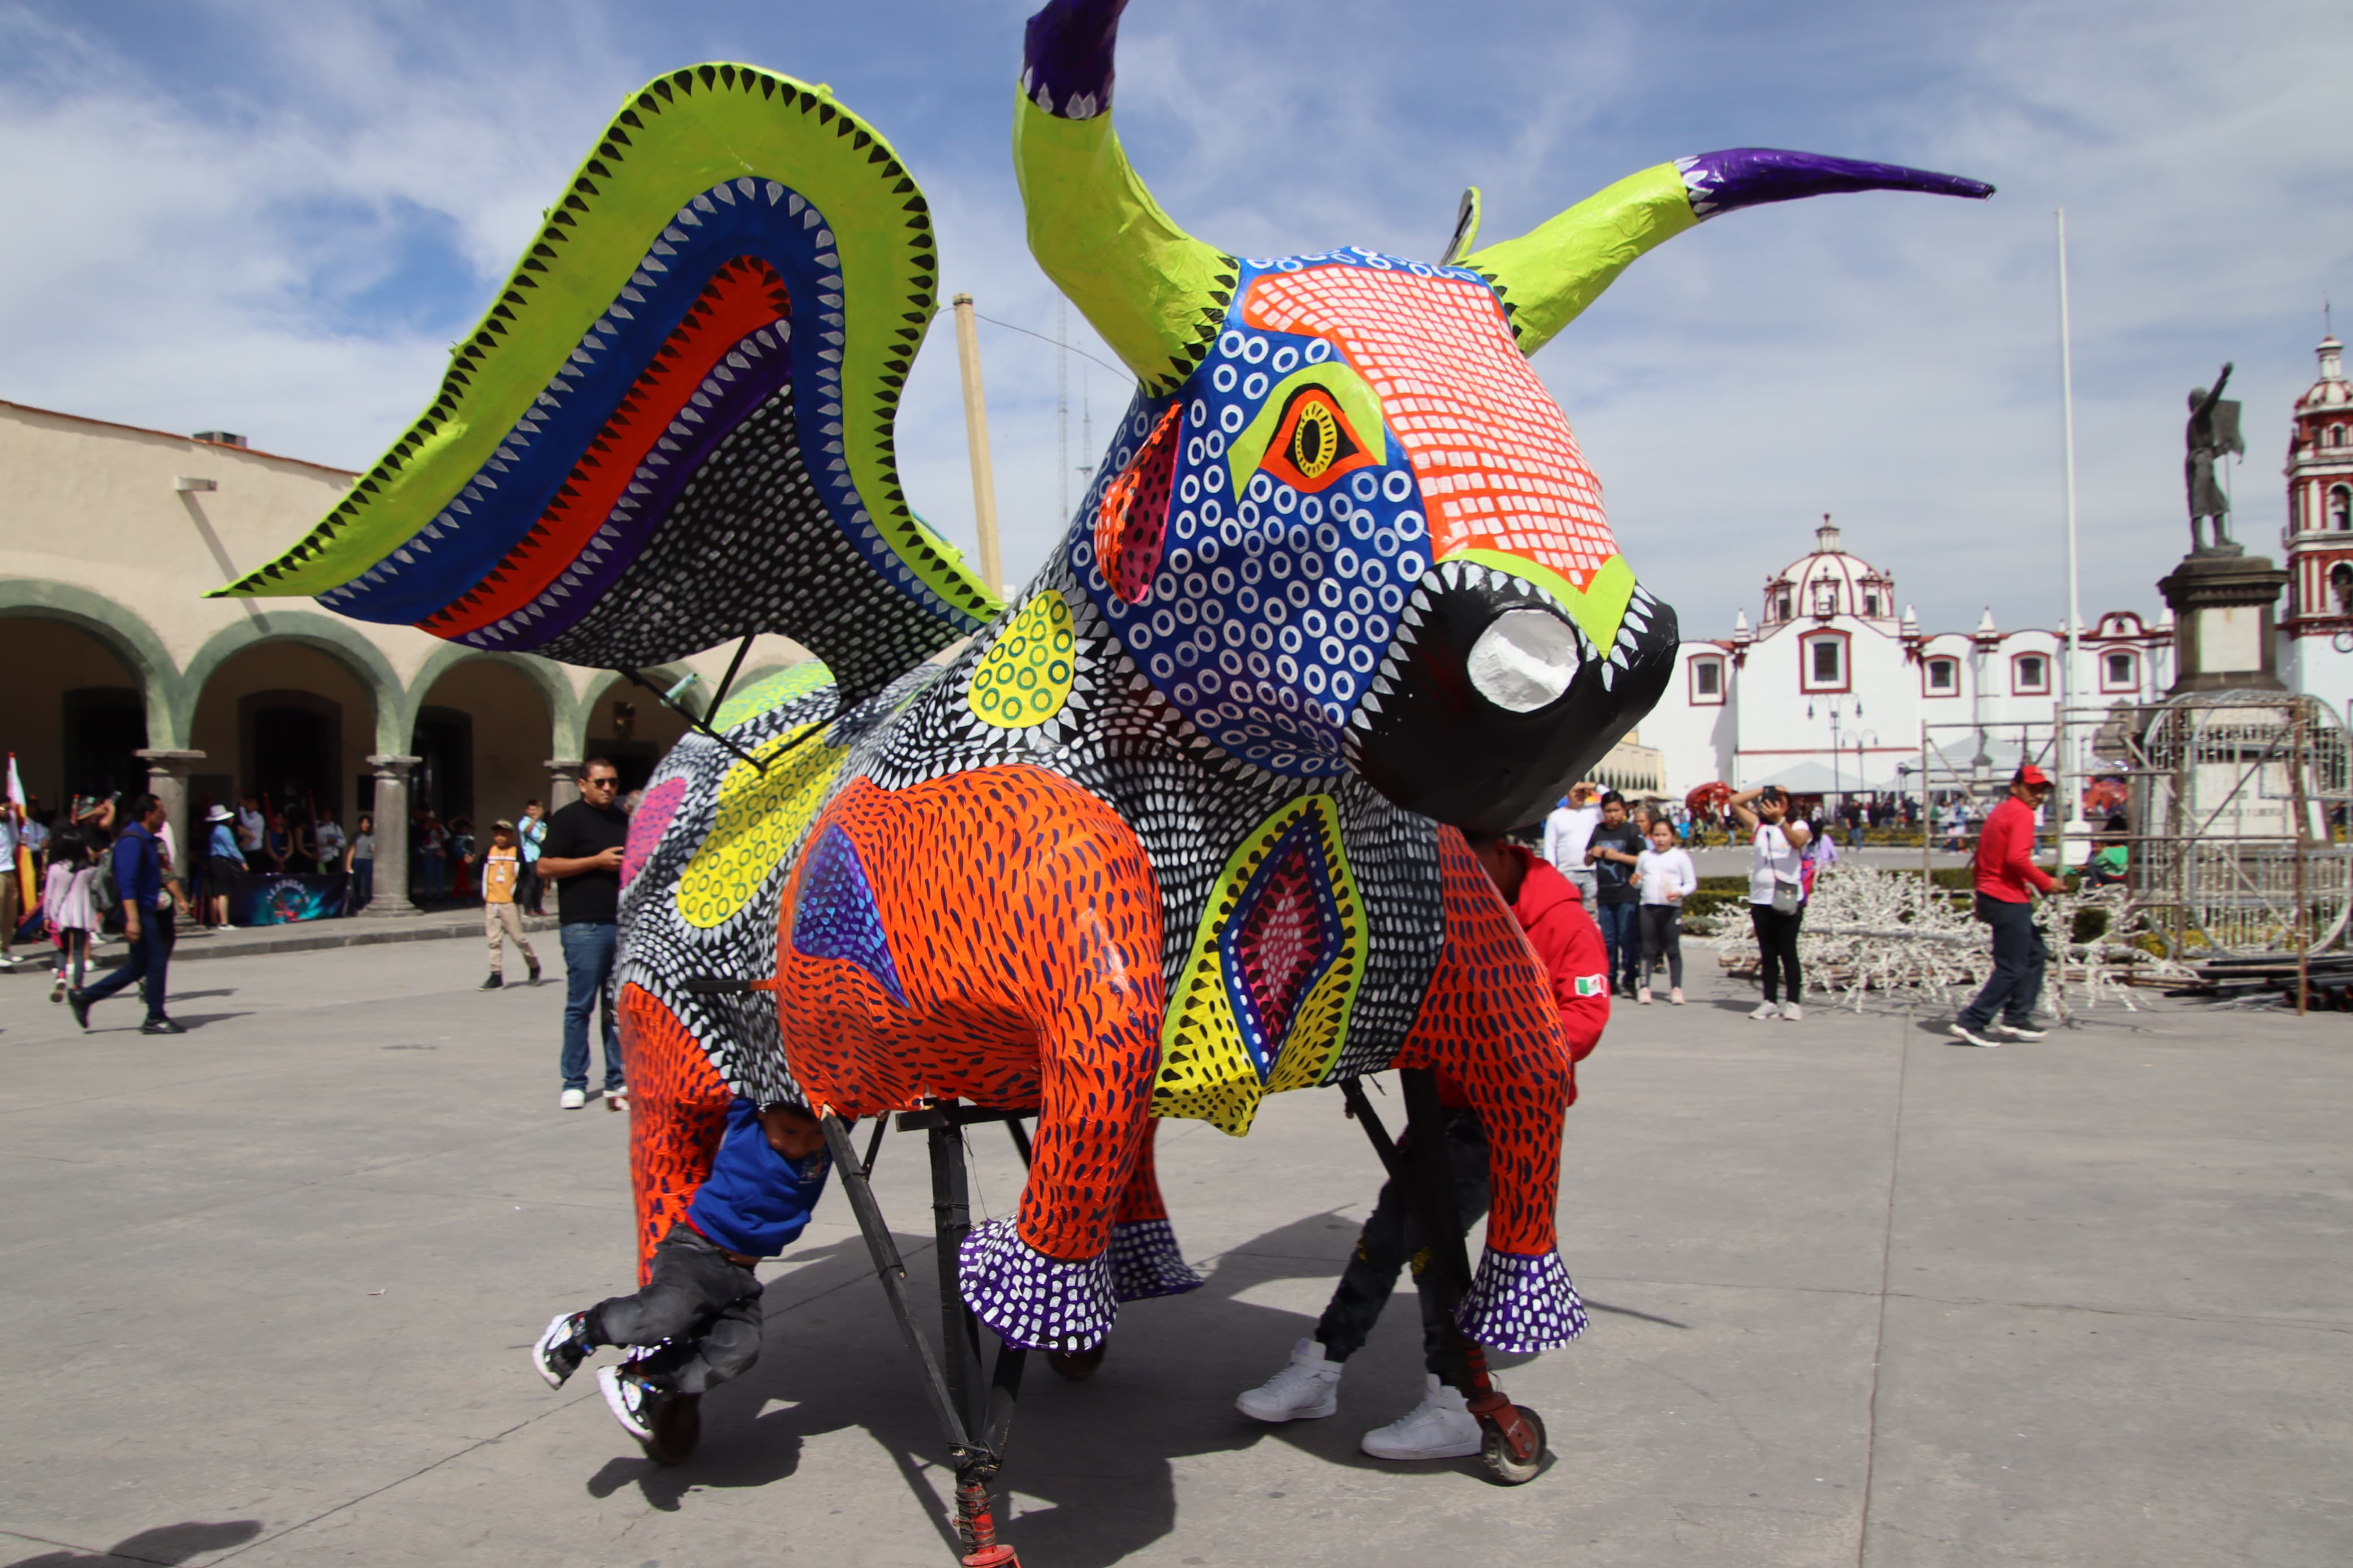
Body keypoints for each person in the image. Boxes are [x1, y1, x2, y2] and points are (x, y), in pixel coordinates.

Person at [1234, 829, 1609, 1460]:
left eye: (1459, 860)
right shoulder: (1448, 908)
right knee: (1386, 1231)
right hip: (1437, 1112)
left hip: (1507, 1121)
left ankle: (1454, 1401)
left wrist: (1496, 1047)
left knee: (1429, 1242)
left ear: (1498, 848)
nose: (1447, 876)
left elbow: (1583, 1019)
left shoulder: (1561, 918)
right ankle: (1323, 1366)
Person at [532, 1098, 834, 1462]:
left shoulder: (830, 1131)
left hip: (741, 1276)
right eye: (788, 1132)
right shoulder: (748, 1121)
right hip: (697, 1252)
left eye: (814, 1135)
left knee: (740, 1347)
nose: (801, 1145)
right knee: (664, 1312)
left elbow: (852, 1102)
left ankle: (645, 1378)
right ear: (762, 1115)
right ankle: (581, 1329)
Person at [540, 759, 629, 1111]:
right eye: (601, 782)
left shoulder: (623, 820)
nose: (608, 788)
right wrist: (595, 861)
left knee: (616, 1008)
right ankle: (574, 1080)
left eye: (613, 782)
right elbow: (545, 866)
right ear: (583, 784)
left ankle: (616, 1079)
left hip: (620, 925)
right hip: (584, 927)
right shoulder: (567, 819)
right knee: (581, 1005)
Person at [1951, 766, 2058, 1048]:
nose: (2038, 795)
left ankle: (2017, 1017)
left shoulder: (2002, 812)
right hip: (2008, 898)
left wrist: (1980, 896)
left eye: (2042, 790)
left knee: (2035, 953)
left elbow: (1982, 857)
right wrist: (2047, 883)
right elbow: (2017, 860)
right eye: (2032, 788)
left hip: (1994, 895)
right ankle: (1973, 1021)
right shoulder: (2022, 814)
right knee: (2012, 967)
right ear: (2016, 787)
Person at [67, 793, 183, 1035]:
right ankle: (155, 1016)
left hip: (148, 909)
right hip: (139, 911)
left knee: (138, 966)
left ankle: (85, 997)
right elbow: (127, 882)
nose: (164, 817)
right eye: (161, 812)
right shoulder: (132, 840)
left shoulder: (146, 839)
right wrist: (132, 919)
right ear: (148, 814)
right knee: (156, 960)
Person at [1731, 785, 1812, 1021]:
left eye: (1779, 800)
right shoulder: (1759, 826)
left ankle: (1794, 1002)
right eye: (1770, 801)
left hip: (1787, 898)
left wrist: (1781, 821)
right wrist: (1763, 791)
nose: (1773, 805)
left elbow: (1798, 842)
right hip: (1761, 898)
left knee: (1788, 951)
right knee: (1767, 953)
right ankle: (1769, 1001)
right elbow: (1735, 802)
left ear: (1789, 805)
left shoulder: (1799, 825)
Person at [1584, 791, 1645, 996]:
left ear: (1624, 810)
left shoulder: (1631, 830)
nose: (1613, 815)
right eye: (1608, 811)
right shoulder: (1599, 830)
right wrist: (1593, 854)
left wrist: (1617, 856)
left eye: (1616, 810)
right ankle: (1610, 979)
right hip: (1605, 895)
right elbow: (1587, 860)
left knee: (1627, 938)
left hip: (1627, 894)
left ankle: (1630, 977)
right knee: (1608, 941)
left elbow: (1643, 860)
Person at [1632, 817, 1696, 1004]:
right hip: (1648, 906)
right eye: (1657, 835)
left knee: (1672, 949)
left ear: (1673, 837)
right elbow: (1640, 882)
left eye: (1664, 835)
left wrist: (1680, 892)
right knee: (1648, 949)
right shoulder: (1645, 856)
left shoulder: (1680, 856)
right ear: (1650, 836)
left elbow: (1691, 882)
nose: (1660, 839)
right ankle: (1644, 986)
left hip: (1671, 908)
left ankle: (1676, 988)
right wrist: (1637, 882)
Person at [479, 819, 541, 990]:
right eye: (497, 834)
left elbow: (527, 876)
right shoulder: (488, 852)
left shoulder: (517, 853)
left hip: (509, 902)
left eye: (504, 834)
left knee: (519, 939)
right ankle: (496, 975)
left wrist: (518, 894)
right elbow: (480, 872)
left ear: (511, 835)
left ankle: (534, 965)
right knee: (494, 940)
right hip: (492, 902)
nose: (500, 838)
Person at [41, 828, 97, 1001]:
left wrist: (47, 916)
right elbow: (96, 890)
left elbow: (49, 895)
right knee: (79, 952)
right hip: (81, 914)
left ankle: (61, 976)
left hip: (61, 914)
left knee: (62, 949)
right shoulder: (88, 870)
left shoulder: (56, 869)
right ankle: (78, 986)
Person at [1542, 783, 1602, 906]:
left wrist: (1592, 785)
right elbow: (1550, 846)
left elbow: (1612, 797)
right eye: (1576, 792)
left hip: (1592, 871)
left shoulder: (1594, 811)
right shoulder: (1556, 816)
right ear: (1567, 794)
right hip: (1566, 872)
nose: (1579, 795)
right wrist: (1552, 873)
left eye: (1582, 792)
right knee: (1569, 908)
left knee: (1592, 913)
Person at [204, 803, 245, 928]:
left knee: (214, 893)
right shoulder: (224, 830)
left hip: (212, 860)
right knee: (223, 893)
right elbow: (231, 848)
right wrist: (242, 861)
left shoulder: (212, 830)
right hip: (222, 861)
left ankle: (214, 921)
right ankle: (224, 922)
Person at [518, 799, 547, 915]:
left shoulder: (543, 825)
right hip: (529, 856)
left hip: (540, 856)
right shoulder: (524, 822)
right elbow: (527, 831)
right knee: (530, 883)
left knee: (540, 884)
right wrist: (535, 819)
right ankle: (528, 909)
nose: (533, 812)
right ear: (527, 811)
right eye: (531, 810)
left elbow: (543, 838)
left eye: (536, 810)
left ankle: (538, 907)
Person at [0, 792, 19, 967]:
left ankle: (6, 948)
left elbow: (15, 840)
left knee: (10, 912)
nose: (8, 811)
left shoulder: (8, 823)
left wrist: (11, 816)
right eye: (5, 808)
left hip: (9, 869)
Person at [2086, 814, 2130, 888]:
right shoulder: (2126, 849)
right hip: (2122, 876)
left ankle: (2097, 884)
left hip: (2109, 876)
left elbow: (2097, 862)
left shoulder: (2107, 851)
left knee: (2092, 865)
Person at [346, 814, 375, 913]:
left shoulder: (373, 836)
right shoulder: (356, 836)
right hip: (357, 860)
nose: (365, 825)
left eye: (367, 823)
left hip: (369, 860)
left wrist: (374, 851)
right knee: (356, 884)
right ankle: (356, 905)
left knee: (367, 885)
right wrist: (348, 865)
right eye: (363, 823)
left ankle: (367, 904)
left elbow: (377, 851)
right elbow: (352, 850)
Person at [313, 809, 347, 877]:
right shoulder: (316, 826)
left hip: (334, 858)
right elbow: (314, 840)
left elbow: (344, 843)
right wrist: (326, 842)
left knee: (335, 878)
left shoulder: (336, 827)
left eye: (328, 813)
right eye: (325, 813)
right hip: (322, 858)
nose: (327, 815)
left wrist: (336, 841)